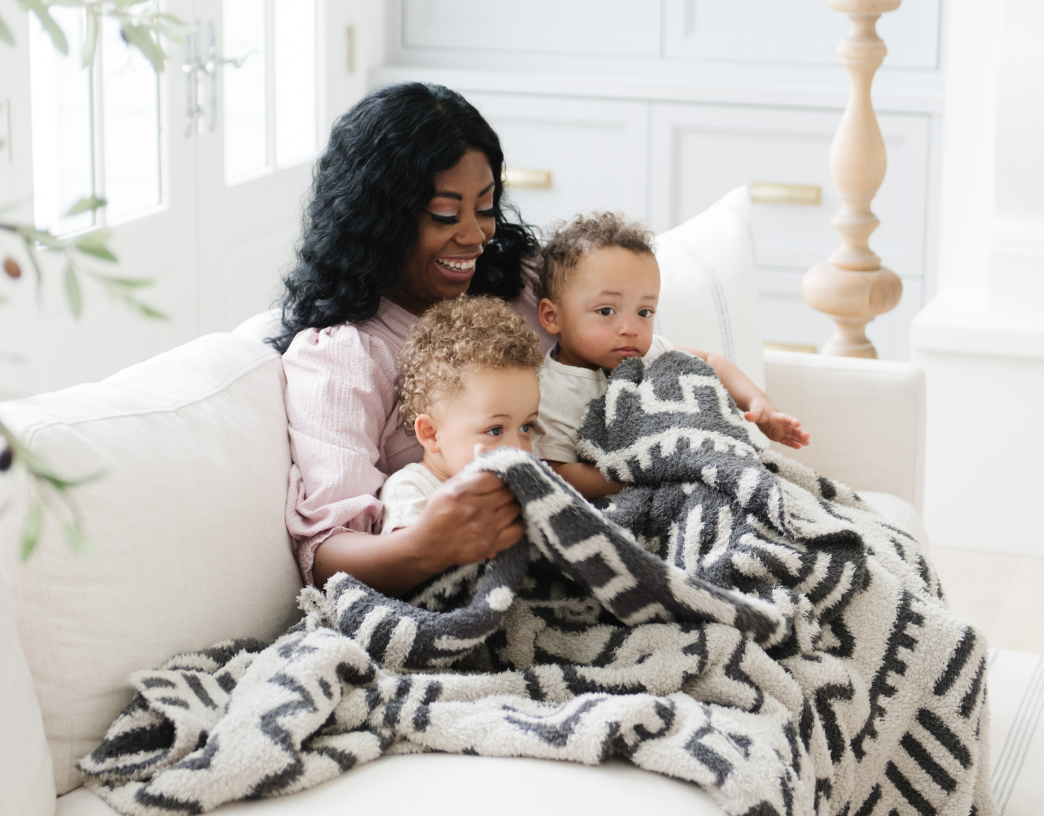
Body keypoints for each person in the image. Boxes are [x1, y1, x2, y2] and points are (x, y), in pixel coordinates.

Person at [274, 82, 552, 596]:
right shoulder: (345, 356)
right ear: (378, 221)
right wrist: (429, 544)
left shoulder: (526, 283)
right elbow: (329, 554)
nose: (475, 236)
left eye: (486, 208)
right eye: (445, 215)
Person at [532, 212, 810, 501]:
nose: (630, 329)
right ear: (553, 317)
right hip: (634, 500)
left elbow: (711, 364)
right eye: (606, 311)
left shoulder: (651, 357)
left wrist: (758, 403)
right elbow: (557, 472)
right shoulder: (549, 391)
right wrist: (653, 474)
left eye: (644, 312)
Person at [379, 295, 543, 535]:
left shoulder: (521, 481)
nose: (518, 449)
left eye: (526, 427)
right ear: (431, 433)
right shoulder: (411, 488)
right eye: (495, 430)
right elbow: (412, 560)